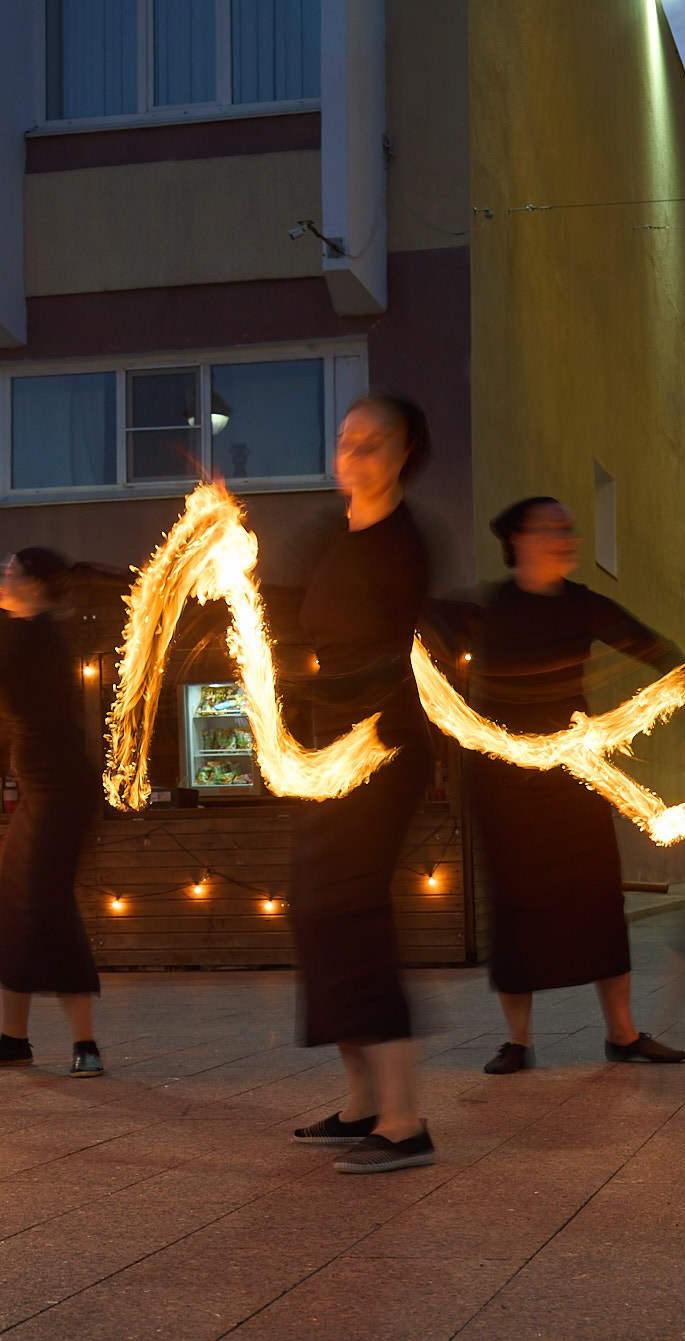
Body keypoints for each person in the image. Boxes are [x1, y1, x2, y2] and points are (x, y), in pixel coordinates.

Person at [466, 496, 685, 1076]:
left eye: (569, 527)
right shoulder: (488, 608)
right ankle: (517, 1041)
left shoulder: (583, 605)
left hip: (572, 778)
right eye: (550, 527)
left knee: (597, 900)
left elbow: (659, 651)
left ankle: (623, 1034)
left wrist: (669, 690)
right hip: (506, 785)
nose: (566, 536)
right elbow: (420, 643)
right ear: (516, 538)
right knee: (515, 906)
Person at [287, 390, 437, 1174]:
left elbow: (389, 660)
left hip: (380, 746)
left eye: (373, 441)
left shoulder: (404, 544)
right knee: (313, 906)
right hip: (329, 750)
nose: (355, 453)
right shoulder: (330, 538)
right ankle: (361, 1100)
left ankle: (406, 1117)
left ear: (404, 451)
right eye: (346, 439)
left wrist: (341, 728)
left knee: (352, 905)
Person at [0, 549, 104, 1076]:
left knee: (49, 909)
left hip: (61, 794)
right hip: (41, 793)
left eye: (9, 572)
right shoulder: (28, 637)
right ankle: (14, 1040)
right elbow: (5, 715)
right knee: (15, 906)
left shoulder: (35, 638)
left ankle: (86, 1045)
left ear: (34, 585)